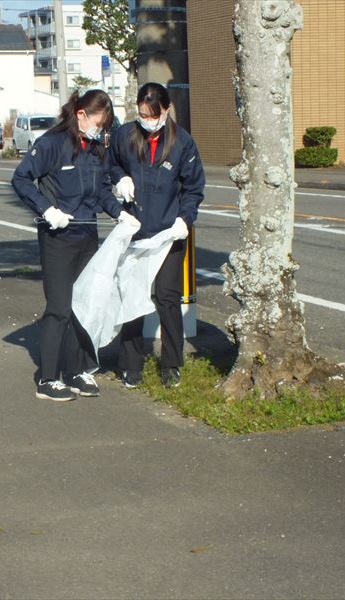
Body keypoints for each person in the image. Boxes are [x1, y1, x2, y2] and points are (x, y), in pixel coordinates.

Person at [11, 89, 140, 402]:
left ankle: (79, 370)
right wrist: (46, 210)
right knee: (59, 308)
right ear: (81, 114)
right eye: (99, 121)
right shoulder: (52, 143)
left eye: (105, 125)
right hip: (57, 238)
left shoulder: (96, 149)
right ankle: (48, 378)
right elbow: (22, 179)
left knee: (87, 306)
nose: (101, 129)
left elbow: (100, 193)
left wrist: (119, 212)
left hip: (87, 236)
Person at [108, 82, 205, 389]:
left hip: (168, 232)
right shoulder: (124, 135)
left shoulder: (182, 143)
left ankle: (172, 364)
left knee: (167, 298)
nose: (147, 120)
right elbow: (109, 164)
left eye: (152, 114)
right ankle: (130, 365)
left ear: (166, 110)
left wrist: (184, 220)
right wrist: (119, 178)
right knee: (132, 298)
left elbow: (193, 188)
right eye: (142, 114)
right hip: (135, 230)